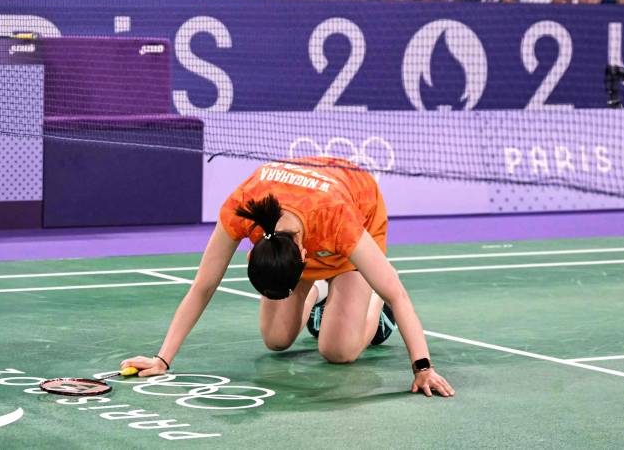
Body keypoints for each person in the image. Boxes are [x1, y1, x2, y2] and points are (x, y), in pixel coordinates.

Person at [120, 157, 456, 400]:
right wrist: (163, 359)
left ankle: (369, 294)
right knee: (276, 341)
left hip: (356, 209)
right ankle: (322, 291)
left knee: (337, 351)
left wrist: (422, 367)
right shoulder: (244, 207)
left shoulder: (338, 220)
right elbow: (203, 285)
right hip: (304, 232)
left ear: (305, 258)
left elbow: (399, 294)